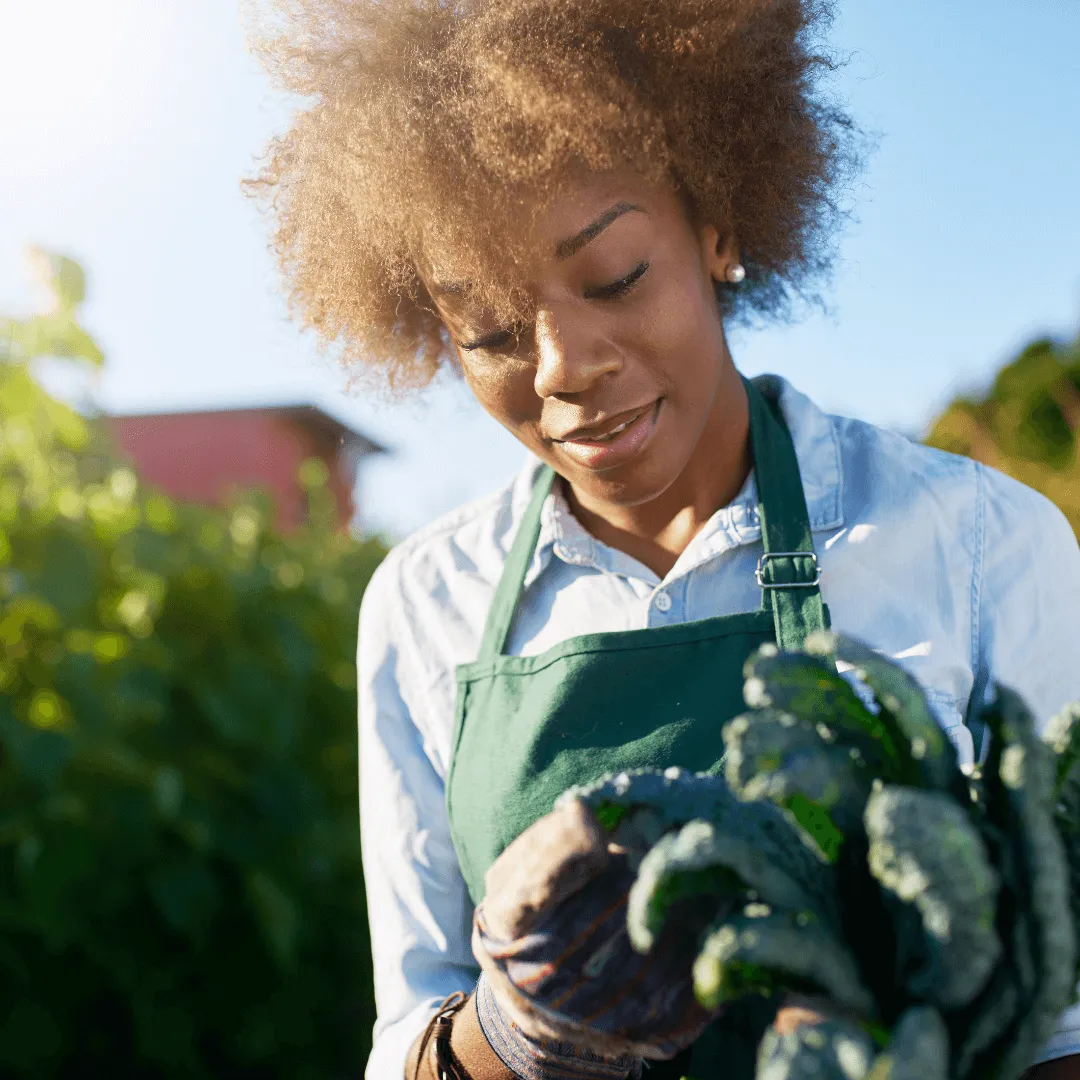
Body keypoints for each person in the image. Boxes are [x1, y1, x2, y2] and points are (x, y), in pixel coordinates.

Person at [245, 0, 1080, 1076]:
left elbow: (1068, 1022)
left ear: (718, 227)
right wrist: (519, 1028)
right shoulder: (422, 604)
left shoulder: (977, 543)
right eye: (491, 329)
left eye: (615, 278)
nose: (559, 365)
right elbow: (408, 1039)